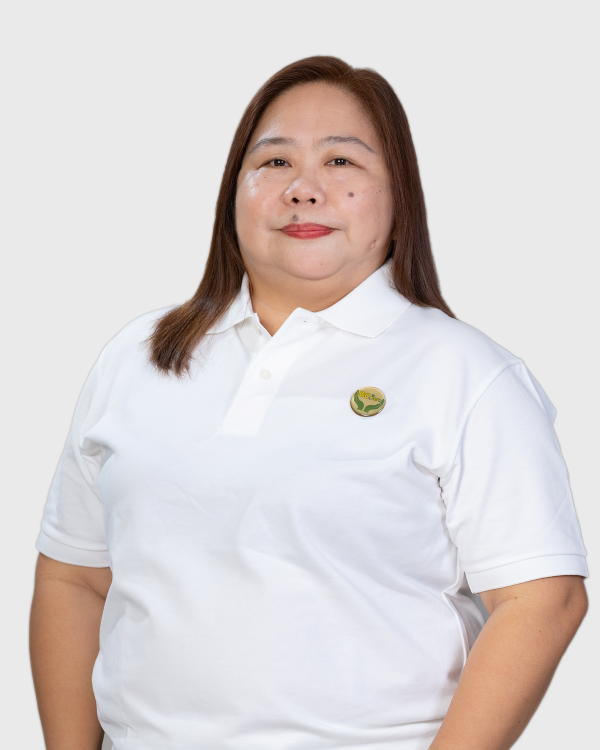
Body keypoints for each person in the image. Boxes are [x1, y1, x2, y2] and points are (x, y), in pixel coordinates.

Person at [30, 56, 588, 750]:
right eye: (274, 162)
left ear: (399, 196)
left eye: (341, 162)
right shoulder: (137, 356)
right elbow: (76, 578)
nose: (303, 189)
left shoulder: (468, 374)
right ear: (233, 193)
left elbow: (541, 599)